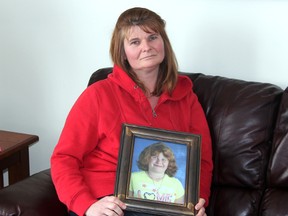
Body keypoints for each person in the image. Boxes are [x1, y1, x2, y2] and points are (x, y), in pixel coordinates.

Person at [51, 7, 213, 216]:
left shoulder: (187, 98)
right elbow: (64, 158)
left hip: (167, 205)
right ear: (122, 53)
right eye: (135, 42)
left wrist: (197, 200)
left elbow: (202, 161)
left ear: (163, 43)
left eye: (152, 37)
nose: (146, 47)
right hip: (108, 204)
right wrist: (87, 205)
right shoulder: (98, 95)